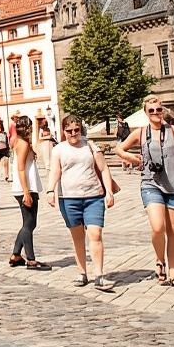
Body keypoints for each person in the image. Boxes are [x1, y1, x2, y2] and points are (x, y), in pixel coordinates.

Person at [116, 96, 174, 290]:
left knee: (173, 230)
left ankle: (173, 272)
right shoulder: (140, 133)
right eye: (151, 110)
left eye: (158, 109)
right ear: (146, 113)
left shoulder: (173, 131)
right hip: (151, 184)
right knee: (158, 227)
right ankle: (159, 259)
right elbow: (119, 149)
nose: (156, 113)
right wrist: (131, 157)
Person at [47, 114, 115, 289]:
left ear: (81, 129)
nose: (73, 134)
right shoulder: (58, 150)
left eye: (76, 130)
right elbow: (55, 170)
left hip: (93, 196)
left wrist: (109, 192)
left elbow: (104, 169)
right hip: (69, 198)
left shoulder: (90, 145)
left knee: (95, 234)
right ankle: (82, 272)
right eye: (69, 131)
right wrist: (50, 190)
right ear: (64, 131)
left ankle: (99, 275)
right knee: (78, 237)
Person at [8, 115, 50, 272]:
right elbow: (21, 169)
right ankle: (31, 260)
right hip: (26, 188)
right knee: (29, 224)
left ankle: (16, 255)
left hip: (25, 187)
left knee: (28, 223)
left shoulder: (18, 142)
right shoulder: (23, 144)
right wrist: (26, 192)